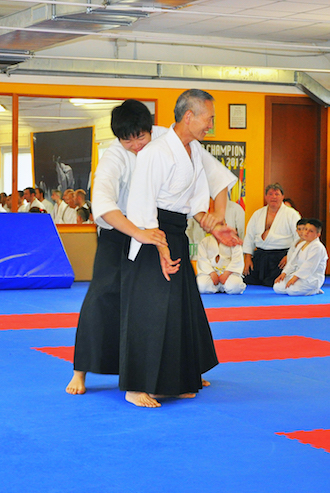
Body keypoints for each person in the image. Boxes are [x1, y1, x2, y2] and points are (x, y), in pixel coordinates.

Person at [66, 98, 238, 398]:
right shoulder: (113, 158)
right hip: (118, 232)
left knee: (172, 301)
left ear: (150, 128)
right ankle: (80, 371)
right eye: (126, 139)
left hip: (155, 231)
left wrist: (215, 218)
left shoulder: (165, 139)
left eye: (140, 137)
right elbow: (104, 206)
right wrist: (140, 233)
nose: (135, 144)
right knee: (103, 298)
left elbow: (214, 175)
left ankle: (185, 369)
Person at [121, 89, 241, 408]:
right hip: (150, 234)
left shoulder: (194, 150)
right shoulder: (156, 152)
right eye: (209, 118)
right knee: (151, 311)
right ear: (189, 116)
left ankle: (171, 381)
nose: (210, 125)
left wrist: (218, 227)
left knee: (175, 310)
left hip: (175, 233)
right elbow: (141, 205)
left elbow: (197, 204)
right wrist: (159, 248)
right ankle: (136, 386)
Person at [243, 183, 300, 287]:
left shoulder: (292, 214)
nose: (273, 197)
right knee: (247, 279)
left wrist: (289, 256)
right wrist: (248, 258)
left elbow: (299, 237)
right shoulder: (258, 214)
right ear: (265, 197)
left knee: (272, 283)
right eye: (270, 194)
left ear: (282, 196)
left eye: (277, 194)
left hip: (280, 257)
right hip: (260, 255)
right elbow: (249, 237)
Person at [273, 219, 328, 296]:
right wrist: (284, 273)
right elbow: (292, 262)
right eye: (306, 229)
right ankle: (301, 287)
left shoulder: (317, 247)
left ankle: (314, 289)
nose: (306, 232)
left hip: (312, 278)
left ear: (318, 234)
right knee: (277, 287)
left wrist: (295, 278)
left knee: (292, 290)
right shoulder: (301, 244)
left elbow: (309, 266)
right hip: (298, 275)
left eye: (311, 231)